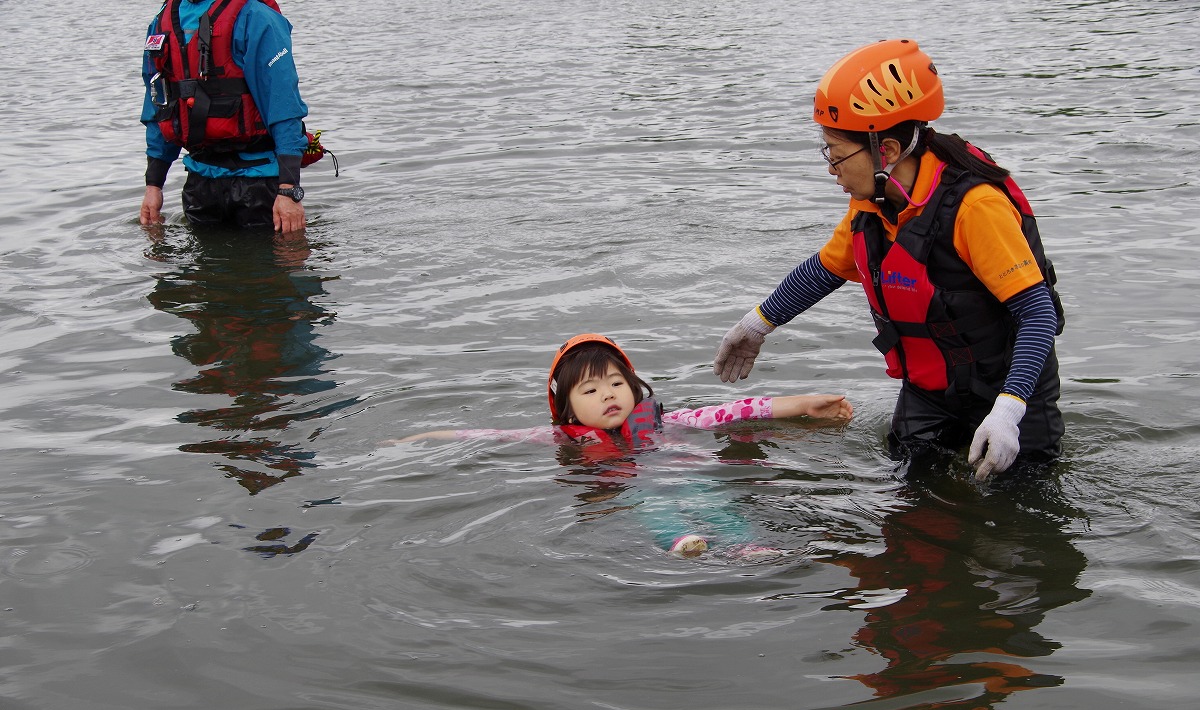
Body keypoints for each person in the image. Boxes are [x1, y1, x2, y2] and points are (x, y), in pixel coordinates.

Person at [713, 39, 1065, 480]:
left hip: (1010, 388)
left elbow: (1037, 313)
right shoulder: (873, 204)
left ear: (889, 152)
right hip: (930, 391)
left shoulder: (975, 208)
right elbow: (823, 271)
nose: (830, 169)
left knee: (1020, 514)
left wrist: (1009, 411)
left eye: (837, 156)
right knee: (908, 499)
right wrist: (754, 326)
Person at [395, 333, 854, 557]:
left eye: (616, 383)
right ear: (569, 411)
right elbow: (494, 437)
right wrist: (428, 436)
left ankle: (745, 546)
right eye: (591, 391)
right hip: (637, 489)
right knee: (646, 502)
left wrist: (803, 405)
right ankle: (679, 541)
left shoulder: (671, 421)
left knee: (712, 502)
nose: (608, 395)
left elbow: (740, 410)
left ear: (635, 387)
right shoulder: (559, 438)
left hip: (684, 474)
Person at [139, 0, 311, 234]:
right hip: (200, 182)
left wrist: (289, 189)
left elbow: (284, 104)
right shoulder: (162, 21)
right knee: (200, 270)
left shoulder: (255, 16)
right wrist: (154, 184)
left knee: (277, 266)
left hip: (259, 182)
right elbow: (159, 105)